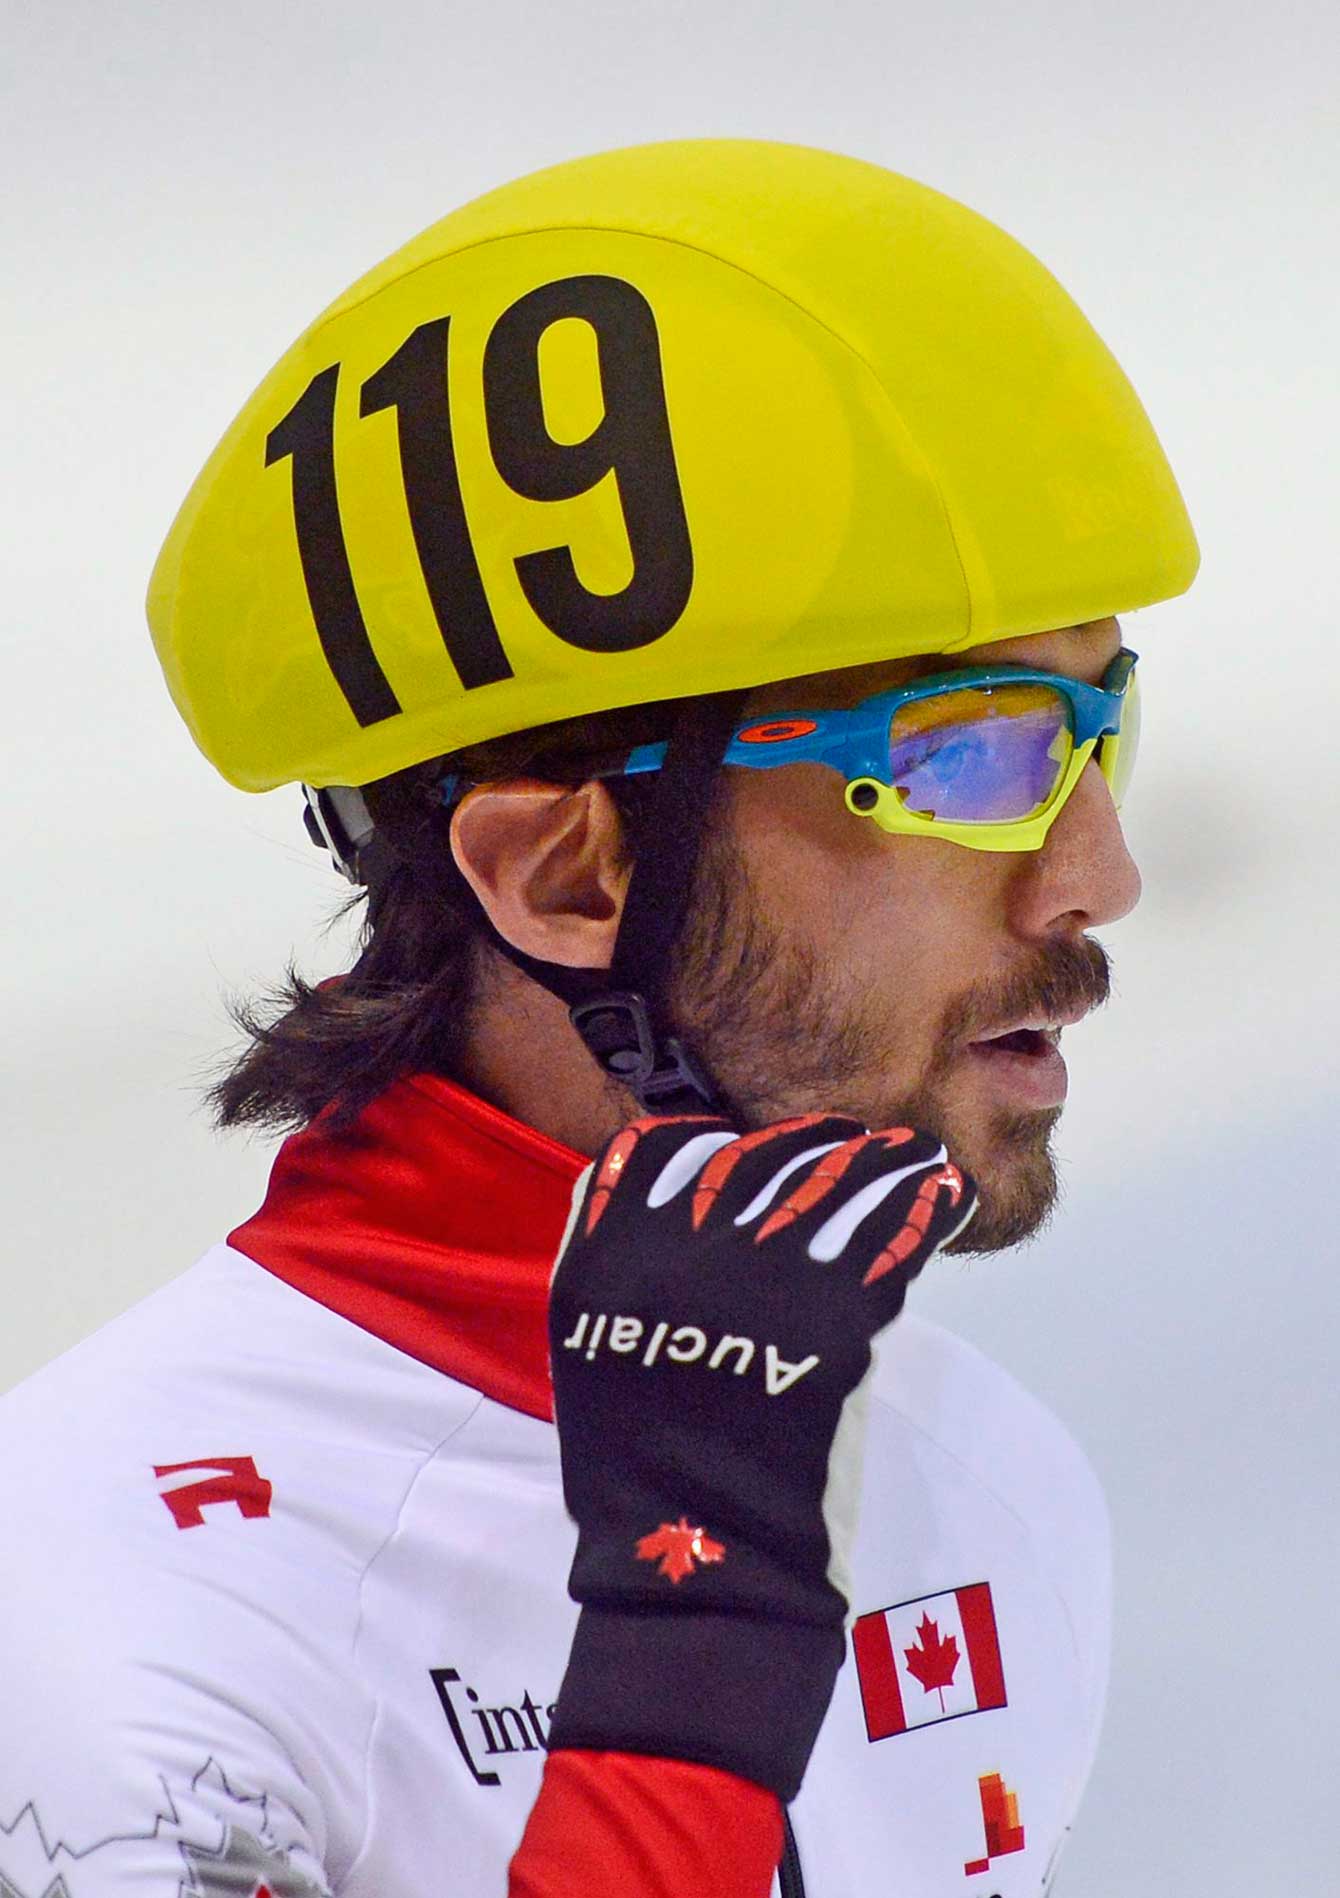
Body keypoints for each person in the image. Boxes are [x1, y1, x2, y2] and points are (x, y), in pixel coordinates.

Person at [0, 139, 1197, 1898]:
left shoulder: (984, 1481)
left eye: (1102, 731)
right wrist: (689, 1670)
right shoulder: (90, 1601)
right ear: (567, 875)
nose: (1098, 875)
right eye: (974, 754)